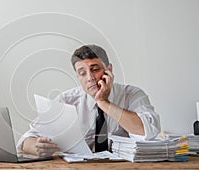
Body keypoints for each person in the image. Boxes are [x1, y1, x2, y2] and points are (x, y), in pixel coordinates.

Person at [17, 45, 161, 157]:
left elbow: (146, 131)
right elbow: (27, 139)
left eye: (95, 69)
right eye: (82, 73)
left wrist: (103, 102)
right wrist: (36, 147)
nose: (90, 78)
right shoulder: (67, 100)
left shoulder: (132, 95)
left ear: (109, 69)